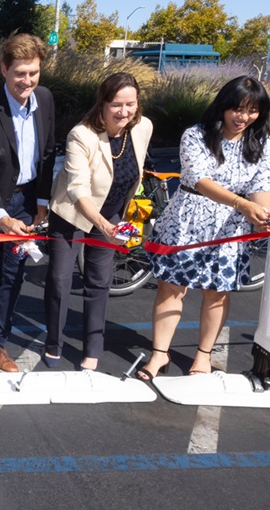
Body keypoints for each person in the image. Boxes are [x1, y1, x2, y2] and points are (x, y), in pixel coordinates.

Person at [138, 76, 270, 380]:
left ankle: (203, 355)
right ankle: (159, 353)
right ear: (223, 106)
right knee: (171, 288)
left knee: (217, 293)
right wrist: (243, 205)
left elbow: (263, 184)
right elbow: (199, 180)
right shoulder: (195, 135)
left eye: (252, 110)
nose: (243, 117)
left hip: (230, 228)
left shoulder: (263, 143)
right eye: (237, 108)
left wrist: (264, 211)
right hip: (187, 219)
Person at [44, 72, 153, 370]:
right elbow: (77, 189)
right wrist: (104, 226)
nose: (124, 112)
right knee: (59, 280)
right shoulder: (81, 135)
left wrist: (113, 221)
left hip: (112, 211)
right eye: (116, 104)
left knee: (99, 282)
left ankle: (92, 349)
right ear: (102, 103)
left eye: (130, 104)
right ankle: (53, 343)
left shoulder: (143, 127)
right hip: (72, 213)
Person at [0, 34, 55, 372]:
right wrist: (2, 217)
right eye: (20, 73)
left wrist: (41, 201)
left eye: (33, 73)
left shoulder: (45, 99)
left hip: (26, 201)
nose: (27, 81)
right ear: (4, 70)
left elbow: (48, 152)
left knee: (13, 276)